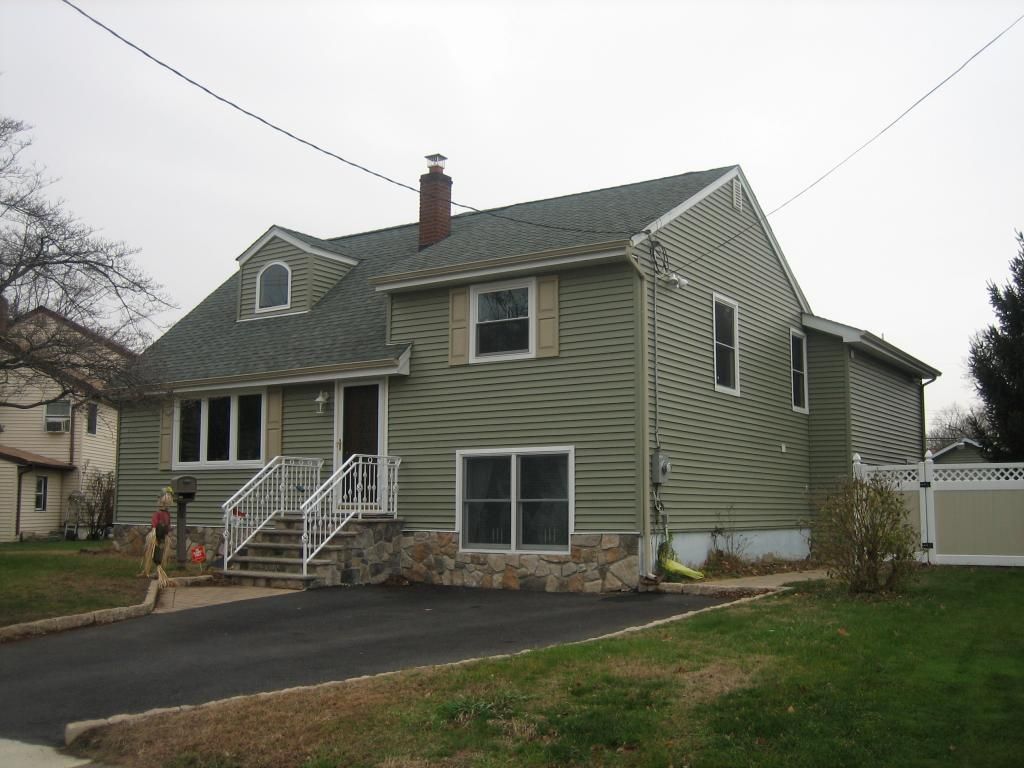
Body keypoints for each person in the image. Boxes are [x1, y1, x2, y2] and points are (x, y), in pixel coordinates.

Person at [140, 487, 175, 582]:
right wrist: (154, 532)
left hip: (163, 537)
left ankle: (158, 570)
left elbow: (168, 524)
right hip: (156, 536)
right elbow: (155, 523)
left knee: (161, 553)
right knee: (153, 552)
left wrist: (167, 533)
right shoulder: (158, 513)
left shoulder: (167, 514)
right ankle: (148, 570)